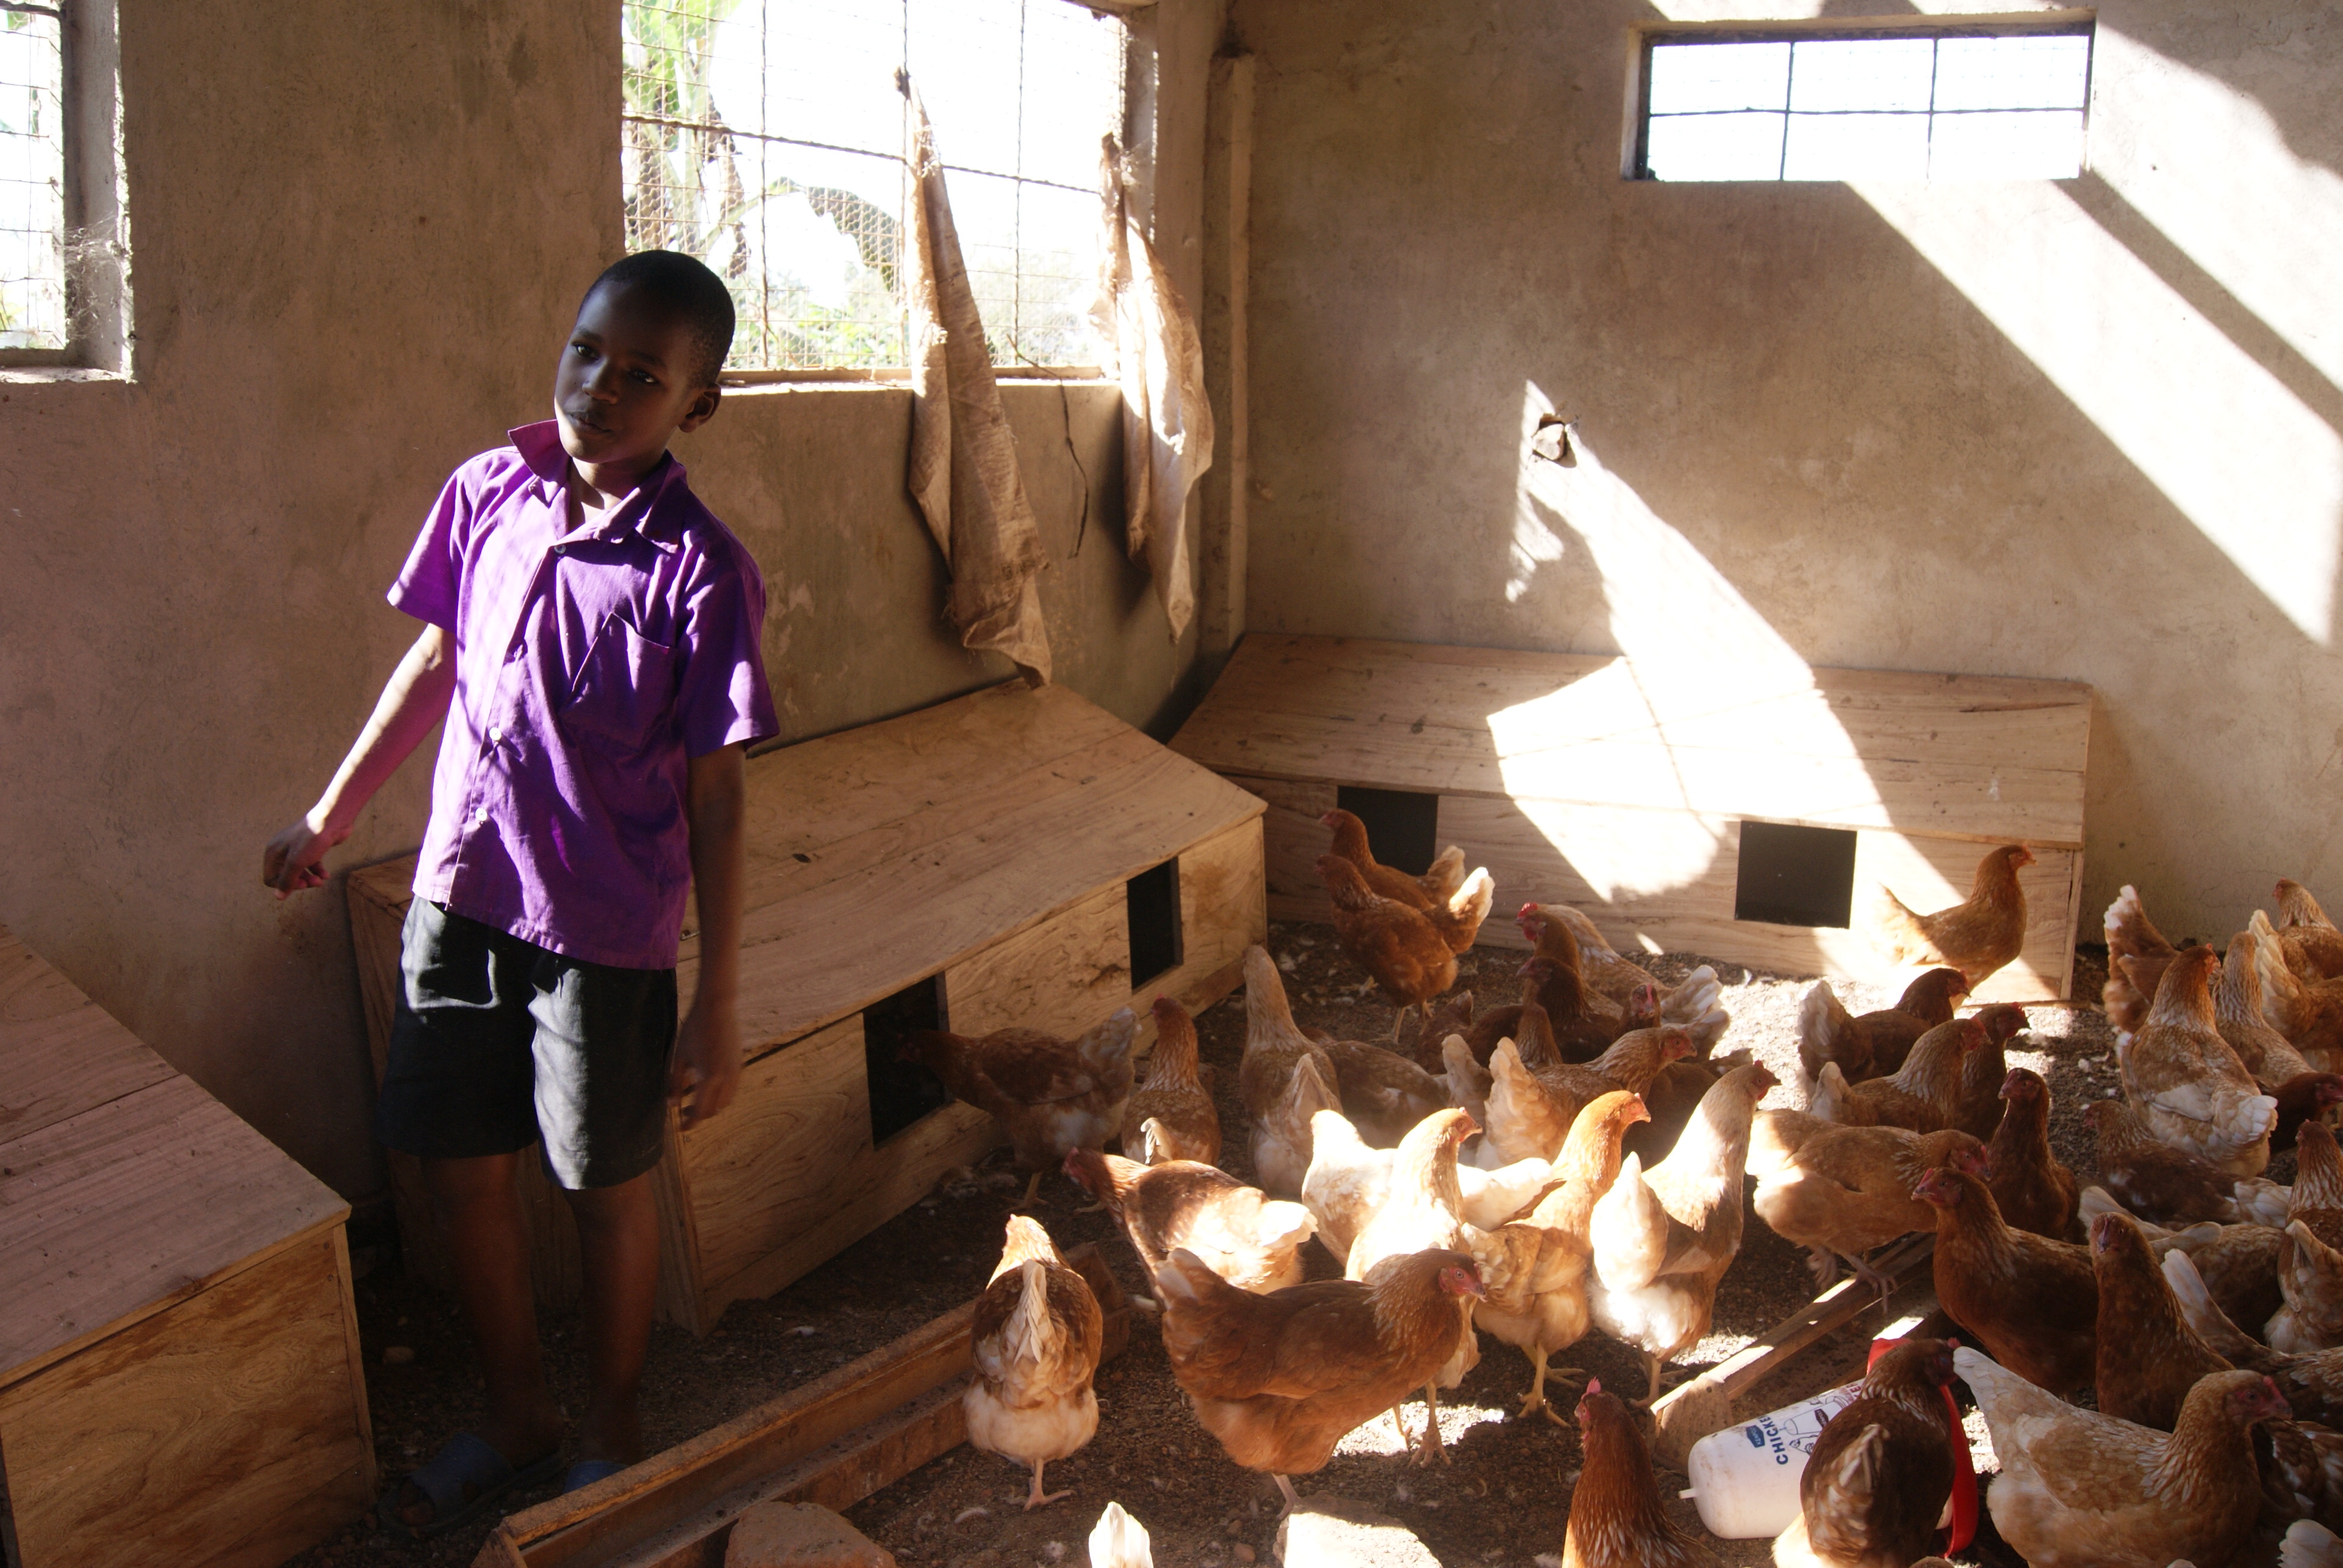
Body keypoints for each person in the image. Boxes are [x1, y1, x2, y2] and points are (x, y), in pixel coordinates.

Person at [263, 250, 776, 1536]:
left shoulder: (700, 571)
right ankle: (515, 1415)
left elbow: (718, 794)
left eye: (643, 375)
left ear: (697, 404)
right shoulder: (486, 491)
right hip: (458, 902)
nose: (601, 386)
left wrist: (718, 1001)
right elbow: (435, 662)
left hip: (603, 940)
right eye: (587, 351)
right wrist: (331, 813)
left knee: (604, 1191)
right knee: (462, 1173)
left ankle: (611, 1424)